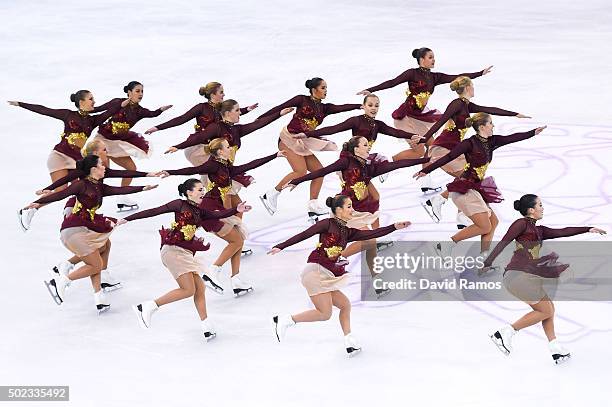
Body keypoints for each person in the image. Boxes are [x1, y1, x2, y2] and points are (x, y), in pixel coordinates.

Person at [268, 194, 410, 356]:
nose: (352, 210)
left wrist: (394, 227)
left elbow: (371, 235)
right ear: (338, 210)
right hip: (316, 271)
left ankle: (349, 340)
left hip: (326, 273)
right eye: (349, 207)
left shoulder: (347, 231)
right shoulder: (327, 224)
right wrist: (281, 246)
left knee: (345, 305)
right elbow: (304, 234)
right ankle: (286, 320)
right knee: (324, 313)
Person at [116, 178, 252, 339]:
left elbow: (219, 214)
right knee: (188, 290)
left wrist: (237, 208)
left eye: (203, 189)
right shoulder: (179, 205)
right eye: (200, 190)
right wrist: (128, 219)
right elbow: (154, 211)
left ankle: (206, 326)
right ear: (189, 192)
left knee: (199, 288)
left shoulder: (200, 211)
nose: (203, 192)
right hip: (173, 251)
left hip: (185, 252)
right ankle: (147, 306)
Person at [22, 155, 157, 313]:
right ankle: (62, 281)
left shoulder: (100, 187)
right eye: (101, 164)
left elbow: (120, 189)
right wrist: (37, 203)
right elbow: (61, 195)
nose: (104, 166)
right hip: (75, 229)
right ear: (93, 169)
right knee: (95, 264)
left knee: (105, 245)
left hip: (85, 227)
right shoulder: (81, 185)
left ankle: (98, 295)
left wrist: (143, 187)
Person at [482, 194, 606, 364]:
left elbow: (562, 232)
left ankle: (555, 349)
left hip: (525, 275)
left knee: (548, 308)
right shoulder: (521, 224)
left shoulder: (539, 230)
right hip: (517, 274)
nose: (543, 207)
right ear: (531, 210)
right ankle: (504, 333)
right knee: (545, 310)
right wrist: (487, 263)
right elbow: (504, 241)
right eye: (540, 205)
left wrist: (588, 229)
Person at [162, 137, 286, 295]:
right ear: (220, 151)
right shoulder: (212, 165)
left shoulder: (225, 164)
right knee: (236, 241)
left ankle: (236, 279)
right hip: (211, 210)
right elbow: (190, 171)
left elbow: (246, 166)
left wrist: (273, 156)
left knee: (238, 238)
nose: (230, 148)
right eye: (227, 147)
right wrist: (170, 172)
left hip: (218, 205)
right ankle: (214, 271)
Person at [357, 47, 492, 192]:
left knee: (432, 146)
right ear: (422, 60)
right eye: (430, 57)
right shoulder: (412, 73)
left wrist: (479, 73)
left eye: (434, 57)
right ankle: (386, 165)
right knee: (419, 150)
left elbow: (457, 77)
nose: (434, 60)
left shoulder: (435, 77)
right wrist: (371, 89)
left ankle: (425, 181)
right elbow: (392, 82)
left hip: (419, 117)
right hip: (405, 117)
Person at [414, 113, 546, 256]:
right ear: (482, 127)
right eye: (490, 123)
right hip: (464, 189)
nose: (493, 126)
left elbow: (511, 138)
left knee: (493, 222)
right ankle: (446, 245)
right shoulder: (469, 143)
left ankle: (484, 258)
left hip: (475, 188)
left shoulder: (492, 141)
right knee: (484, 226)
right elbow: (449, 157)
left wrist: (533, 133)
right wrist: (426, 170)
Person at [258, 78, 361, 221]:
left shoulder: (325, 108)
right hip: (288, 139)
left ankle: (313, 207)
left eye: (326, 87)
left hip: (302, 142)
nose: (326, 91)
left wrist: (360, 106)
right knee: (300, 171)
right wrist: (261, 119)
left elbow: (341, 107)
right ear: (314, 89)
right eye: (323, 88)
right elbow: (279, 107)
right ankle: (270, 194)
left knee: (319, 173)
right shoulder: (301, 100)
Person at [92, 80, 172, 210]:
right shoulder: (117, 102)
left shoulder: (139, 111)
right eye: (137, 91)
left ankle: (122, 197)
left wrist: (161, 110)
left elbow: (152, 113)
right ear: (129, 92)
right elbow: (98, 109)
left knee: (131, 169)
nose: (141, 94)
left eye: (142, 91)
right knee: (101, 172)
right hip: (102, 142)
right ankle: (82, 197)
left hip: (116, 144)